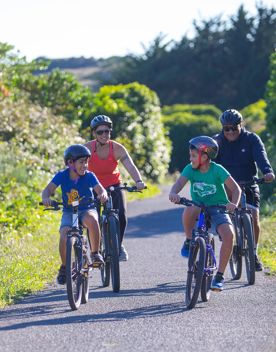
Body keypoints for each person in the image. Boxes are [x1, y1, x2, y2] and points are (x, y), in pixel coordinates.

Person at [169, 136, 241, 291]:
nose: (191, 159)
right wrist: (173, 193)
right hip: (199, 206)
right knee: (189, 208)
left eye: (194, 156)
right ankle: (189, 240)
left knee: (229, 236)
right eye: (190, 155)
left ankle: (219, 276)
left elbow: (236, 189)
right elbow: (179, 183)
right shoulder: (190, 169)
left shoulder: (217, 170)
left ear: (205, 156)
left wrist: (233, 204)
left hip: (218, 207)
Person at [214, 109, 275, 271]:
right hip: (226, 187)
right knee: (224, 217)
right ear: (222, 128)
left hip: (249, 183)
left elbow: (261, 156)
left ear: (241, 125)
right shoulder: (217, 141)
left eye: (234, 127)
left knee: (254, 217)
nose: (231, 131)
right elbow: (209, 160)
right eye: (227, 128)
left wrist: (267, 171)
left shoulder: (251, 139)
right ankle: (229, 240)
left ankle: (253, 253)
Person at [42, 144, 108, 285]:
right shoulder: (62, 175)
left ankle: (95, 253)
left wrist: (102, 194)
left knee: (92, 220)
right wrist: (46, 198)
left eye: (86, 162)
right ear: (70, 163)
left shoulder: (90, 176)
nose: (85, 165)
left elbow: (100, 189)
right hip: (70, 211)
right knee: (64, 235)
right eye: (81, 162)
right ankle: (65, 267)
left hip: (86, 208)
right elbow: (47, 190)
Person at [85, 115, 146, 261]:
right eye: (100, 132)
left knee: (122, 216)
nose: (104, 135)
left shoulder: (117, 148)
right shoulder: (87, 149)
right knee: (92, 219)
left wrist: (138, 181)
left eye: (107, 131)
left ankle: (118, 246)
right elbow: (78, 166)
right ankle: (95, 250)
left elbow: (130, 165)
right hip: (93, 186)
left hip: (114, 185)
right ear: (94, 133)